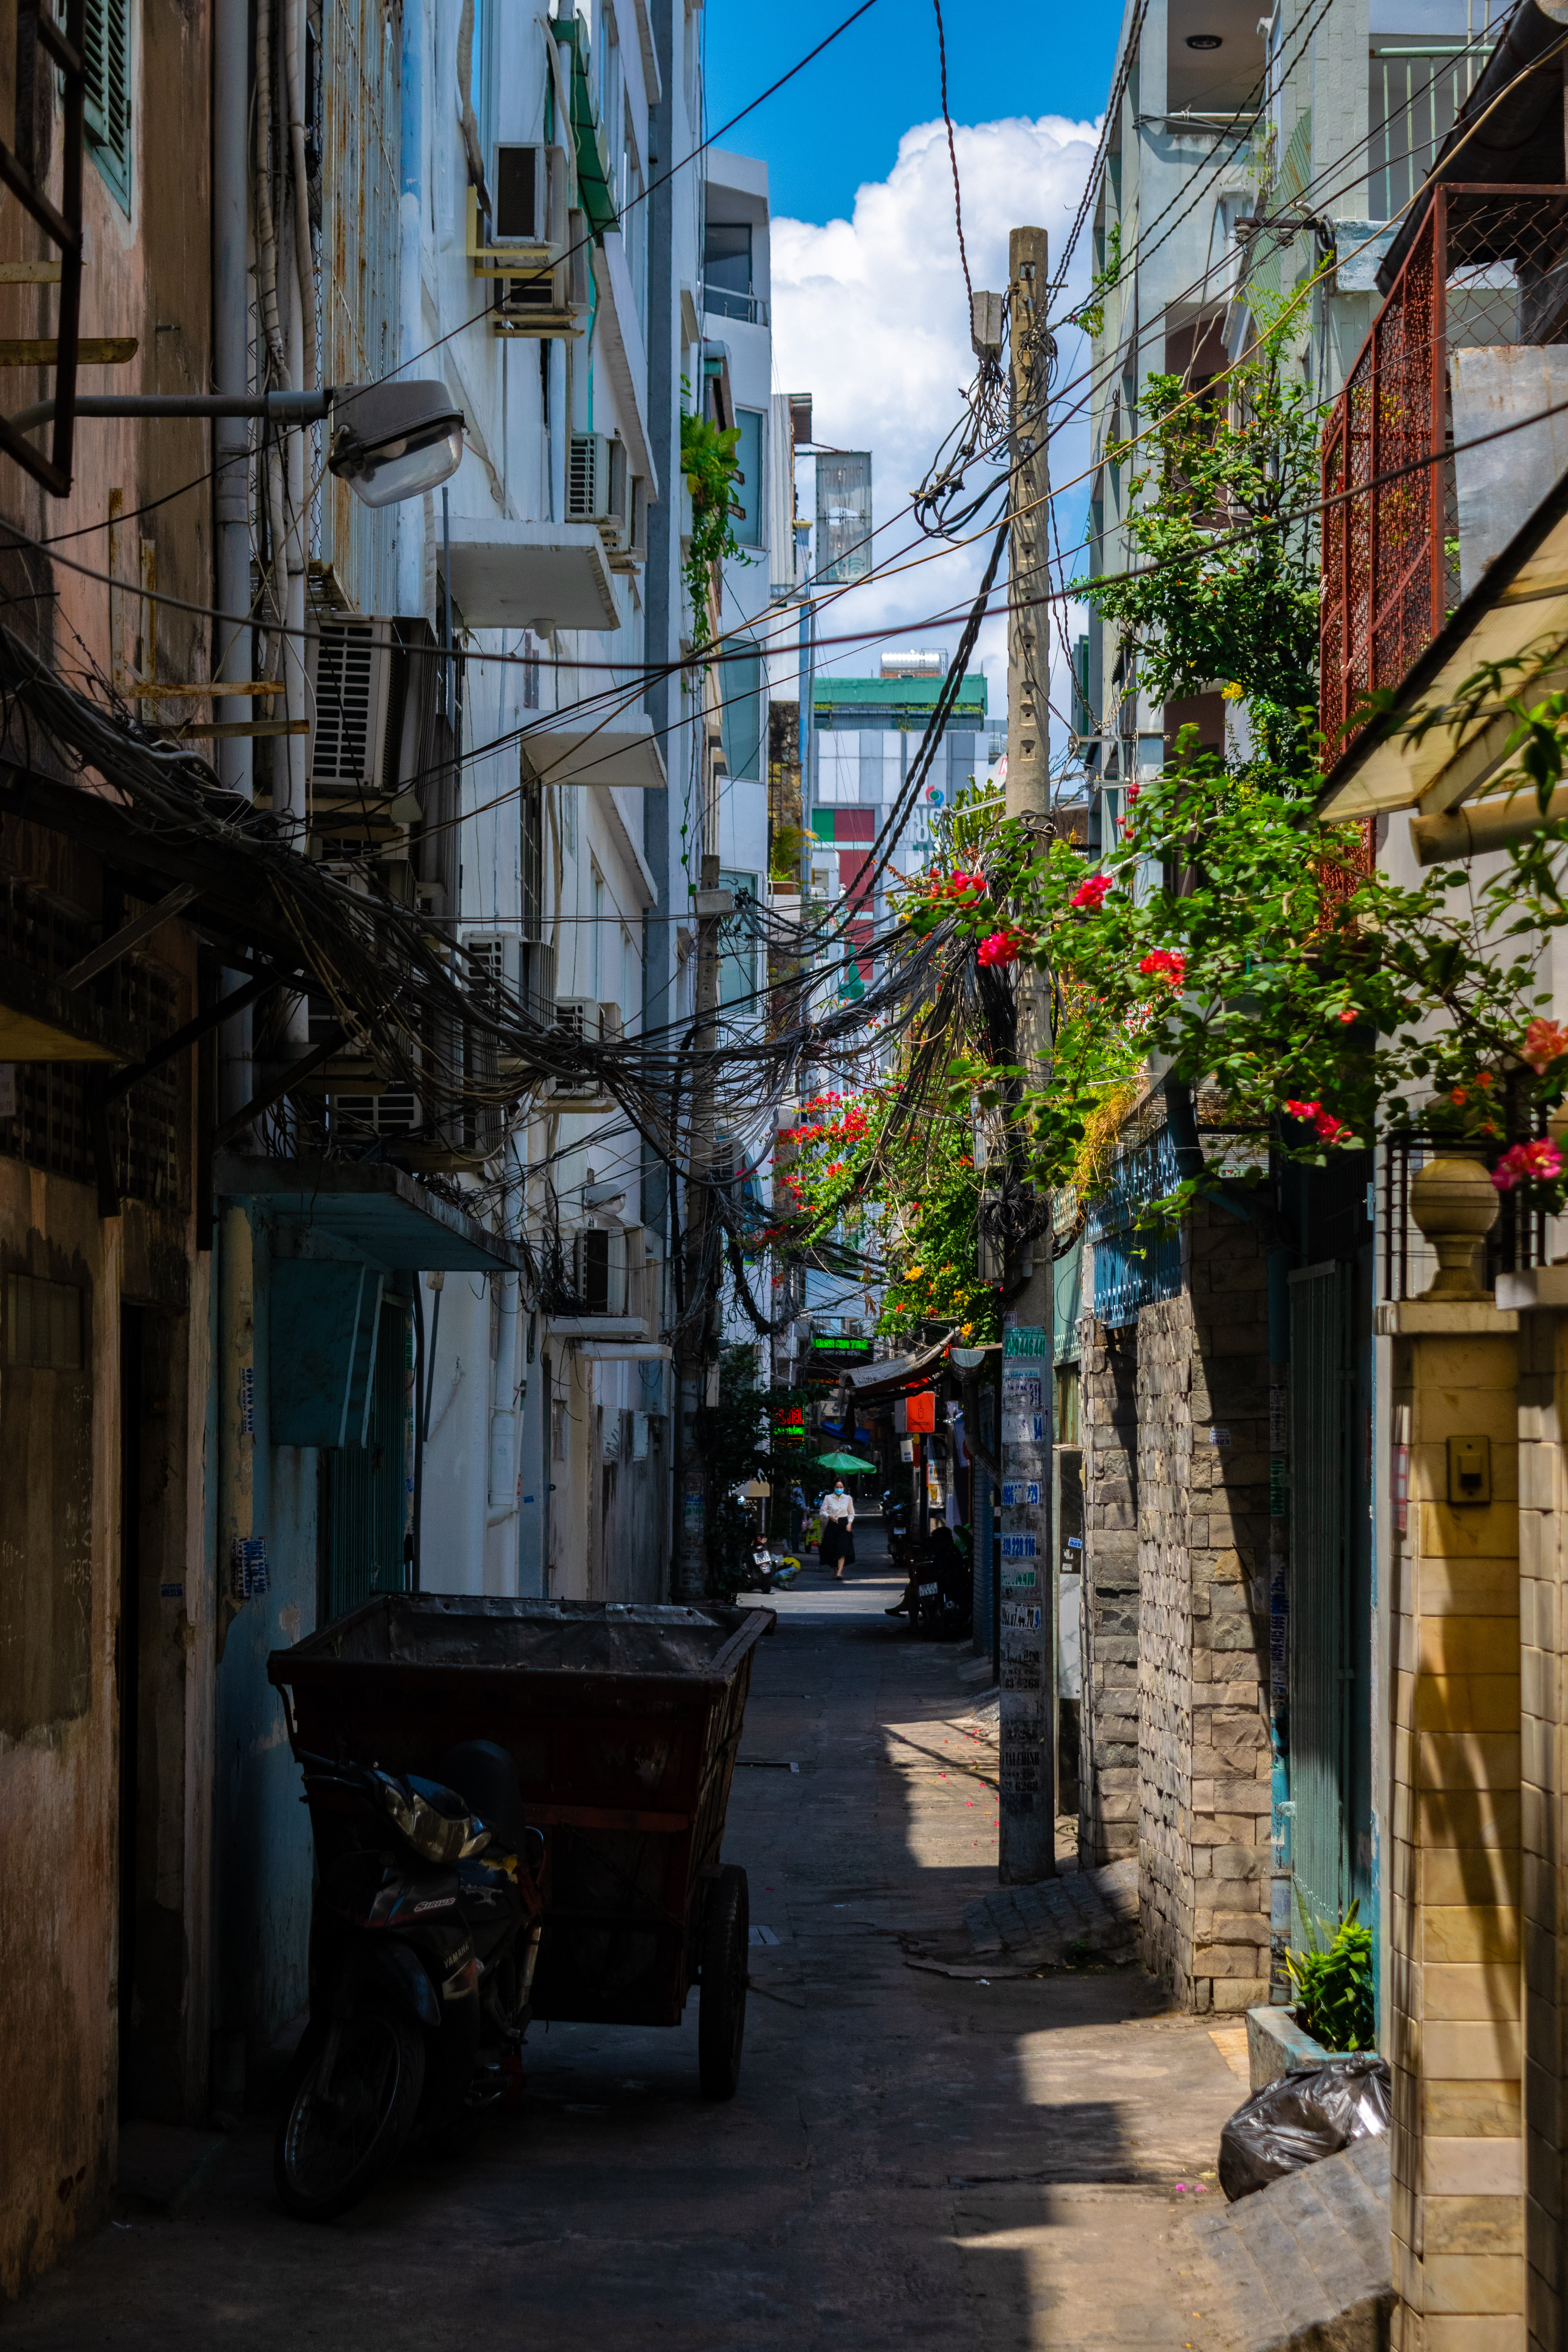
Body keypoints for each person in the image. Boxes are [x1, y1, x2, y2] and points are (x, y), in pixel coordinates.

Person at [818, 1479, 855, 1580]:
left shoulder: (848, 1499)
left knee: (843, 1548)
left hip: (843, 1525)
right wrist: (829, 1516)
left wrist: (850, 1523)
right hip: (832, 1525)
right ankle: (835, 1571)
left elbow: (851, 1513)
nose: (839, 1489)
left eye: (841, 1487)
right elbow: (822, 1512)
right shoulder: (828, 1498)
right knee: (832, 1549)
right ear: (834, 1487)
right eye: (837, 1487)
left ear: (844, 1488)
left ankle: (840, 1572)